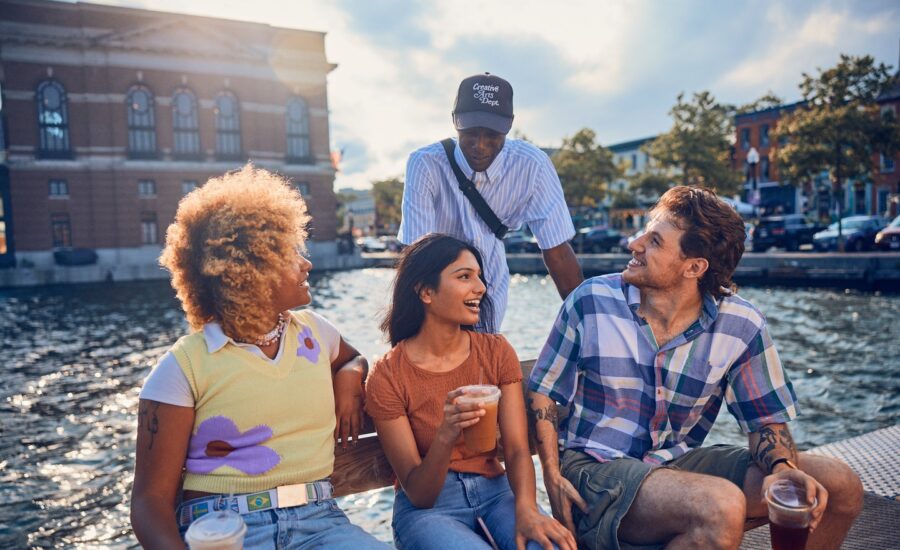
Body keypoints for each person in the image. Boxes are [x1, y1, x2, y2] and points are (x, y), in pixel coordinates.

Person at [526, 186, 863, 549]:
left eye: (654, 241)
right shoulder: (591, 301)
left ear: (694, 267)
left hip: (677, 464)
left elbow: (766, 420)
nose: (633, 243)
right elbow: (545, 390)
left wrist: (782, 470)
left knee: (839, 484)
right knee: (719, 506)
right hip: (595, 471)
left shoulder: (741, 324)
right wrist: (551, 473)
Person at [130, 165, 389, 549]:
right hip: (223, 530)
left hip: (321, 524)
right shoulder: (184, 367)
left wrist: (350, 376)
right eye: (290, 254)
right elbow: (150, 502)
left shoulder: (315, 332)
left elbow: (352, 359)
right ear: (248, 270)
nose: (307, 263)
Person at [365, 233, 576, 550]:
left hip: (498, 493)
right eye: (464, 277)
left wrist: (527, 508)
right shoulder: (388, 375)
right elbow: (420, 494)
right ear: (426, 292)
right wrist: (446, 435)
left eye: (479, 277)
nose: (480, 288)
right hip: (429, 511)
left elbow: (518, 450)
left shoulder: (495, 351)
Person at [399, 72, 583, 331]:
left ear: (509, 126)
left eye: (492, 135)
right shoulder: (425, 164)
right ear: (455, 122)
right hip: (435, 280)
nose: (480, 145)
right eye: (471, 133)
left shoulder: (533, 165)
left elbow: (558, 253)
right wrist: (408, 327)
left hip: (491, 277)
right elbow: (414, 255)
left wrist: (587, 322)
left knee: (485, 351)